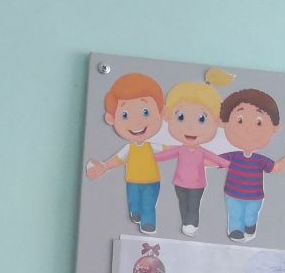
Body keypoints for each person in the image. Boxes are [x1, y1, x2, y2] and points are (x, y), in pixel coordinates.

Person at [153, 68, 233, 236]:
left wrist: (229, 164)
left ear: (217, 122)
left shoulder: (202, 151)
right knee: (183, 203)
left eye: (202, 119)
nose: (190, 127)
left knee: (193, 204)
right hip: (179, 183)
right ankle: (186, 222)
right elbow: (164, 156)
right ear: (168, 116)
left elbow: (216, 159)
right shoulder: (180, 149)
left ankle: (191, 223)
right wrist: (149, 157)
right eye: (181, 117)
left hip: (197, 184)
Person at [84, 72, 166, 233]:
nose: (137, 121)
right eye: (125, 114)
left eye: (146, 112)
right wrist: (104, 166)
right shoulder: (129, 148)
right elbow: (118, 159)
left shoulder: (152, 146)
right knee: (134, 201)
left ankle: (148, 222)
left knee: (148, 203)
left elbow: (168, 150)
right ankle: (135, 212)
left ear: (161, 113)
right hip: (133, 181)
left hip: (152, 182)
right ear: (112, 119)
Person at [217, 88, 285, 241]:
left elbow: (276, 169)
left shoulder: (260, 160)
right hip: (232, 194)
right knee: (235, 214)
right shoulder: (232, 156)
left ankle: (250, 225)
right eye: (240, 120)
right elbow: (214, 161)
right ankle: (235, 230)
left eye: (258, 122)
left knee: (251, 215)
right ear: (225, 123)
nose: (248, 128)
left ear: (274, 128)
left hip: (254, 197)